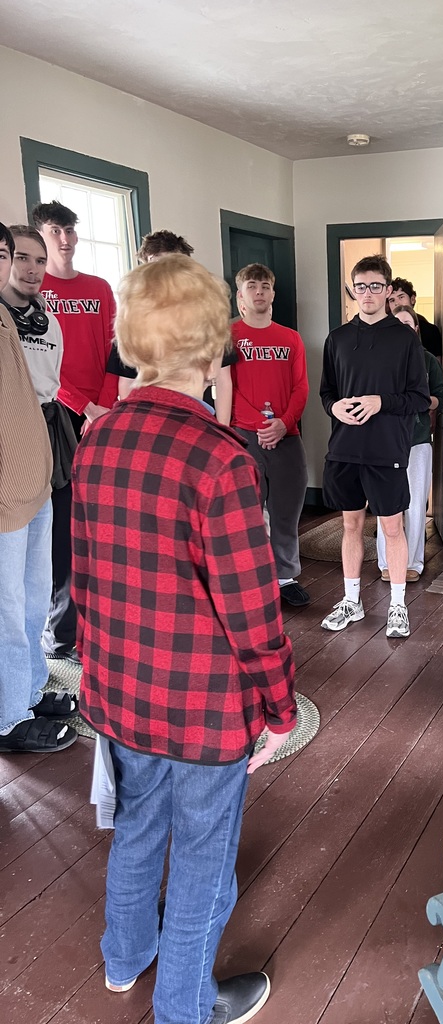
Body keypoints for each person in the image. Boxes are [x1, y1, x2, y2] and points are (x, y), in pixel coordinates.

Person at [70, 254, 296, 1024]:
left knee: (136, 828)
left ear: (134, 348)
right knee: (203, 859)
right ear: (213, 352)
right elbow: (252, 612)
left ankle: (123, 959)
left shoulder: (94, 441)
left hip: (120, 693)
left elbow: (87, 580)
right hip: (202, 706)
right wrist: (279, 707)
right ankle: (187, 1007)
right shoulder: (221, 459)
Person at [319, 254, 430, 638]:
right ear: (352, 290)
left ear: (388, 290)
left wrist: (380, 402)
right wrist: (334, 407)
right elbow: (326, 393)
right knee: (350, 525)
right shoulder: (337, 338)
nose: (368, 293)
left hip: (387, 449)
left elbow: (419, 397)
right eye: (361, 286)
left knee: (392, 527)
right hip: (345, 447)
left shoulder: (404, 339)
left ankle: (398, 605)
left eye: (376, 286)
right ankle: (352, 601)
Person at [0, 222, 78, 755]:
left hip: (43, 453)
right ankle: (7, 718)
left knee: (33, 591)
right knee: (6, 601)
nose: (28, 267)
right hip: (8, 473)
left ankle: (27, 690)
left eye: (33, 258)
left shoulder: (42, 320)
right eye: (16, 256)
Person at [30, 199, 118, 664]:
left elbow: (112, 348)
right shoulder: (33, 291)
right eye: (54, 230)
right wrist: (81, 406)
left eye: (69, 229)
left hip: (104, 412)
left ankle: (102, 624)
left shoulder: (100, 287)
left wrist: (102, 407)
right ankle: (62, 632)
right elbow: (39, 360)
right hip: (57, 415)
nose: (64, 238)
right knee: (62, 527)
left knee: (102, 524)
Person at [230, 263, 310, 607]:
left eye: (265, 285)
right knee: (247, 512)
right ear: (241, 296)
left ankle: (285, 576)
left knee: (286, 510)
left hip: (287, 435)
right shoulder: (228, 336)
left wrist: (283, 422)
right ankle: (251, 580)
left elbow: (301, 386)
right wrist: (261, 426)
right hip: (244, 436)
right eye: (252, 286)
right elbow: (226, 388)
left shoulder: (290, 338)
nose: (259, 291)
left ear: (273, 294)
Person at [105, 229, 237, 419]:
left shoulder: (209, 317)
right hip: (149, 416)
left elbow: (223, 378)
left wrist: (223, 428)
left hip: (200, 415)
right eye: (156, 263)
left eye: (171, 264)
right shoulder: (133, 321)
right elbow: (126, 381)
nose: (163, 274)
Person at [2, 225, 78, 490]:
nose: (33, 269)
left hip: (47, 436)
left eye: (40, 261)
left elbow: (52, 381)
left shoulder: (50, 323)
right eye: (22, 258)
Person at [377, 304, 443, 581]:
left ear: (416, 329)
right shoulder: (378, 359)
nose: (404, 328)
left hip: (417, 439)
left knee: (416, 503)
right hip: (384, 440)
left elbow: (440, 396)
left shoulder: (428, 360)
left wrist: (418, 399)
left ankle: (413, 563)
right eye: (398, 323)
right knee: (386, 503)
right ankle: (386, 562)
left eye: (409, 324)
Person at [389, 276, 442, 360]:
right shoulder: (384, 331)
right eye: (392, 300)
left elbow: (436, 366)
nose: (397, 303)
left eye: (401, 297)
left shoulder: (430, 331)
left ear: (412, 299)